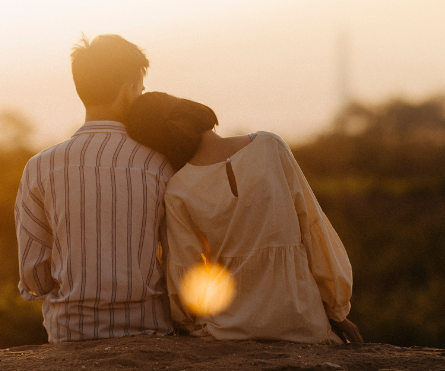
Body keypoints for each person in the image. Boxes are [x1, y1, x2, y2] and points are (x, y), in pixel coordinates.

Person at [125, 92, 363, 344]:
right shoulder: (271, 146)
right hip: (302, 322)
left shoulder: (178, 189)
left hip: (228, 329)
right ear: (191, 109)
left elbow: (187, 274)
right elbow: (313, 228)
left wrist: (187, 323)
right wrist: (337, 310)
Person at [15, 35, 174, 343]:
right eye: (140, 90)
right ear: (128, 91)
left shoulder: (40, 166)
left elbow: (33, 276)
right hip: (150, 330)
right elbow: (177, 259)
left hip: (71, 333)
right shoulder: (160, 164)